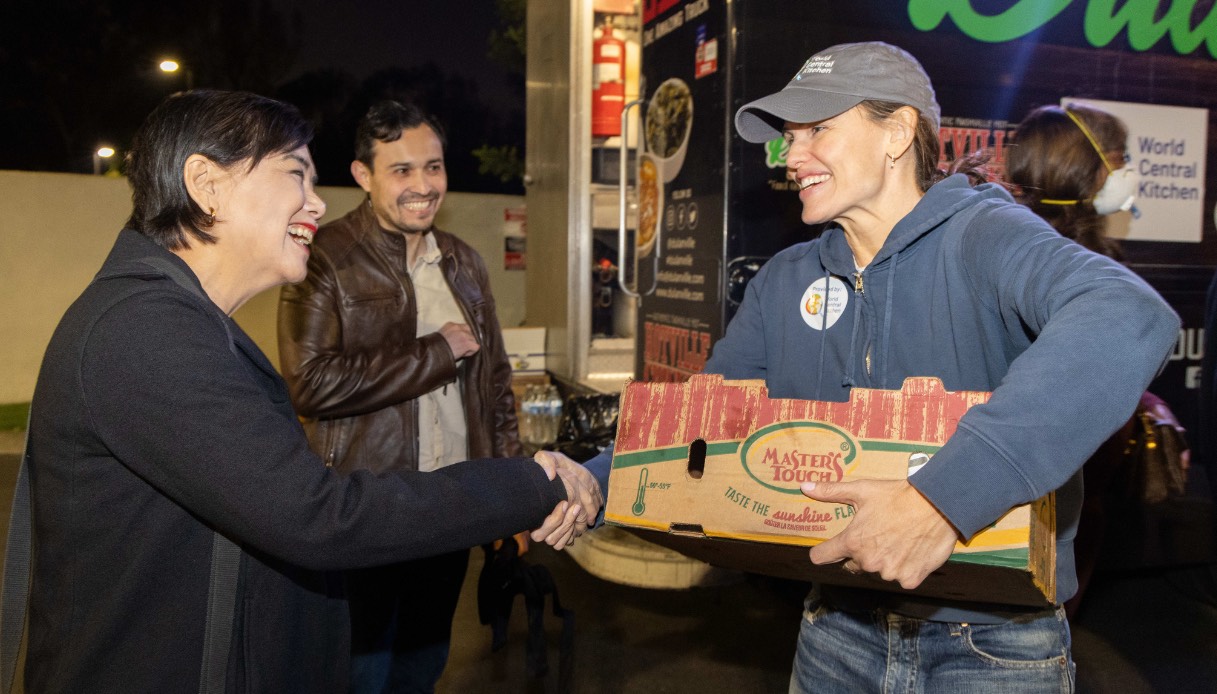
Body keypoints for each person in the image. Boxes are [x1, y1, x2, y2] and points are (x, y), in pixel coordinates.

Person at [587, 42, 1178, 692]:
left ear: (896, 132)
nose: (790, 155)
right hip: (834, 627)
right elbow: (708, 419)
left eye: (817, 129)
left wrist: (943, 500)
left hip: (990, 645)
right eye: (787, 136)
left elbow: (1127, 315)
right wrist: (588, 483)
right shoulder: (785, 280)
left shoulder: (983, 236)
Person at [19, 89, 598, 693]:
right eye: (296, 173)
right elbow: (315, 514)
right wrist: (526, 484)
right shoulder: (145, 329)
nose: (315, 203)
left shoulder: (174, 319)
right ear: (206, 184)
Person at [277, 99, 522, 693]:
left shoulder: (464, 263)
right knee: (358, 670)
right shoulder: (323, 258)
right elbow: (309, 383)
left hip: (450, 502)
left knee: (421, 664)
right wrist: (436, 350)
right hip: (362, 505)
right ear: (364, 176)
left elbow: (494, 386)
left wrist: (512, 493)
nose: (423, 185)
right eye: (403, 170)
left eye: (433, 168)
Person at [1005, 102, 1189, 618]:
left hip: (1077, 478)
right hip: (1048, 473)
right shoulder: (1044, 256)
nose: (1127, 170)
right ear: (1082, 166)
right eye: (1118, 156)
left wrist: (1149, 401)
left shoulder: (1070, 247)